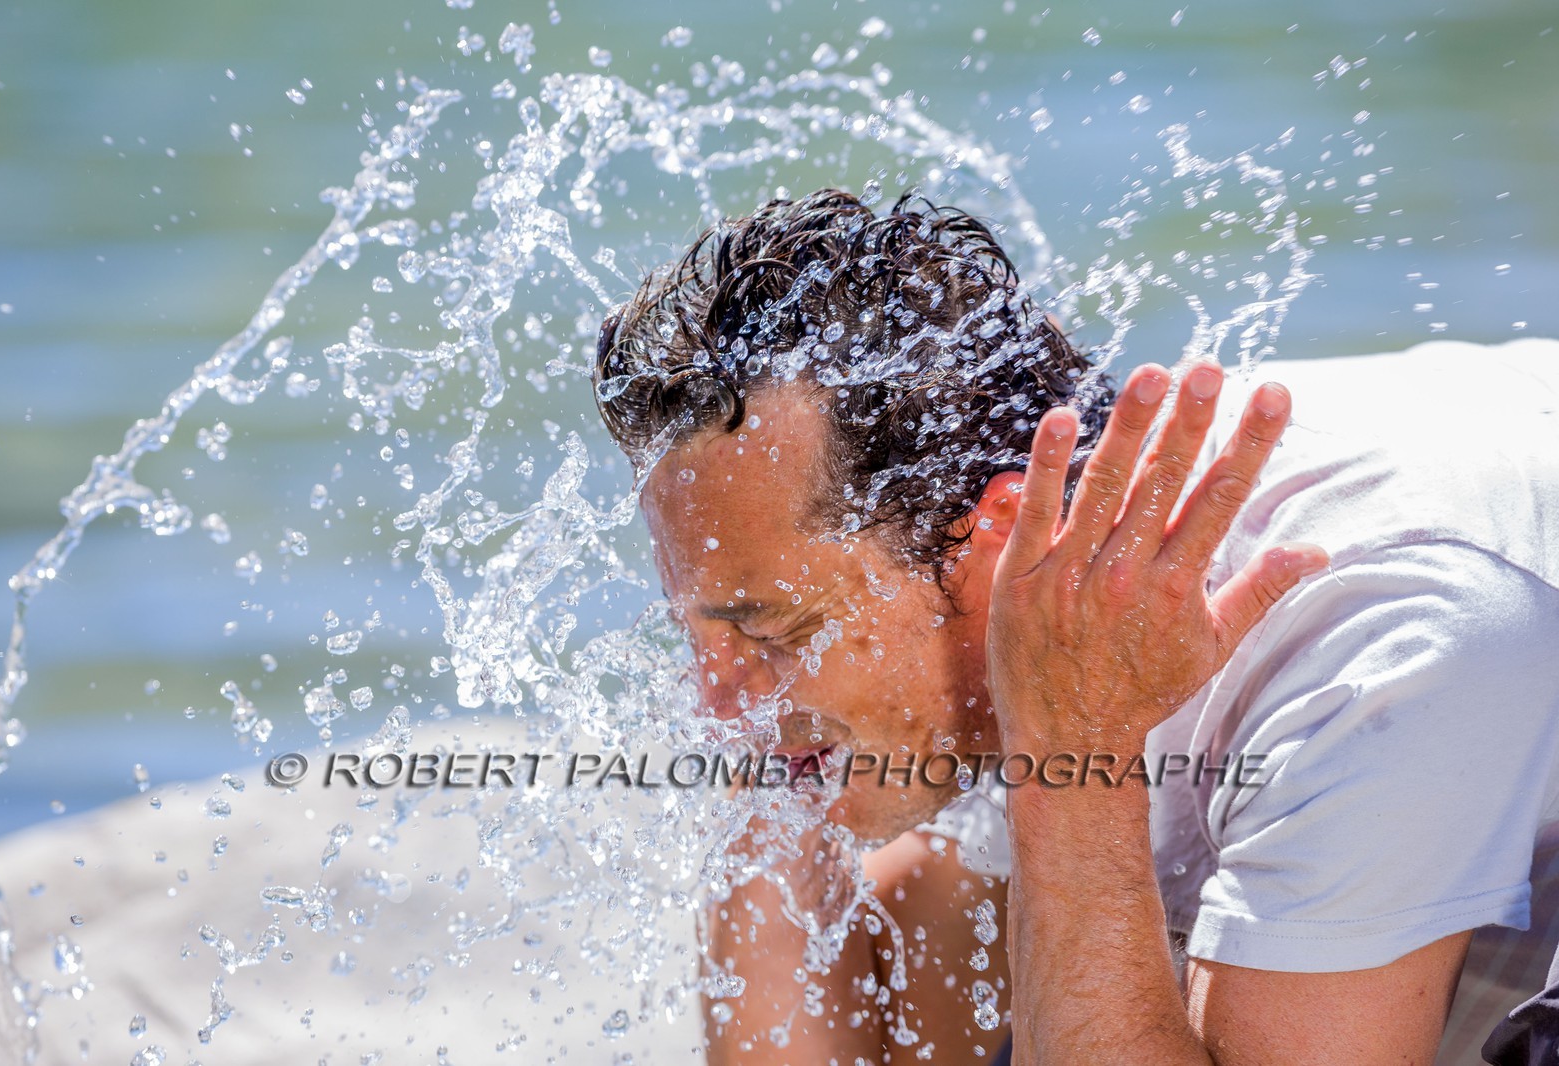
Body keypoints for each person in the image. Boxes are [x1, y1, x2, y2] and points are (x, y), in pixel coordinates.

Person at [591, 188, 1559, 1064]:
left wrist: (1075, 753)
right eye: (700, 635)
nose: (719, 709)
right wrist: (776, 804)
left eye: (768, 629)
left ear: (1001, 536)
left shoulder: (1362, 642)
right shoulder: (997, 639)